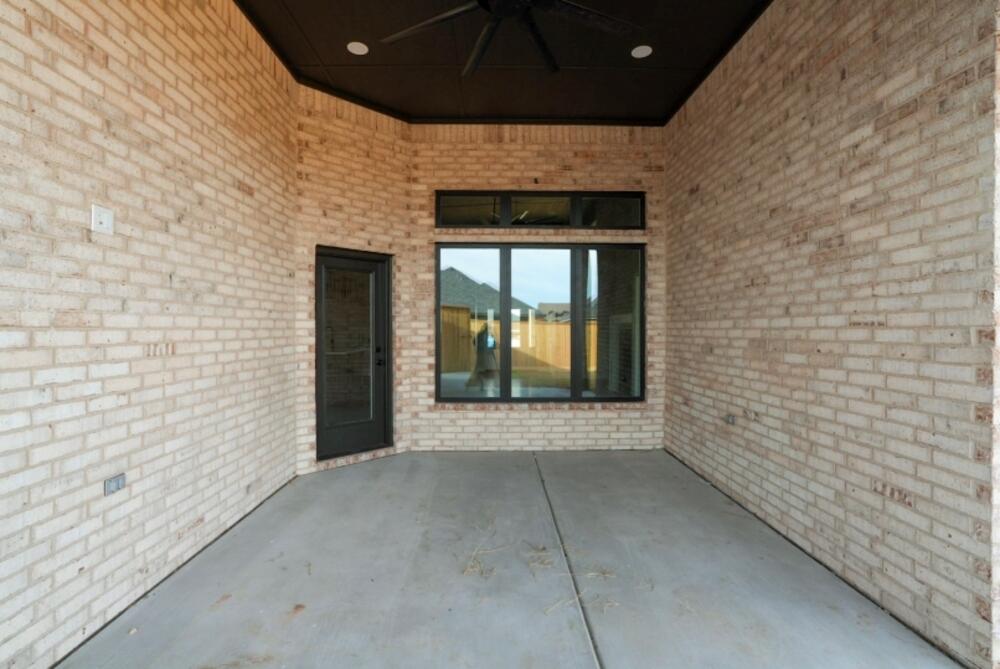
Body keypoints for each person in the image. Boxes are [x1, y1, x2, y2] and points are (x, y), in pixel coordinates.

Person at [467, 322, 498, 390]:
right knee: (489, 369)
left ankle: (481, 384)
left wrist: (479, 348)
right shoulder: (489, 335)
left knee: (480, 369)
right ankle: (486, 384)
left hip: (480, 354)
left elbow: (474, 342)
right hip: (488, 355)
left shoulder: (479, 334)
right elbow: (493, 346)